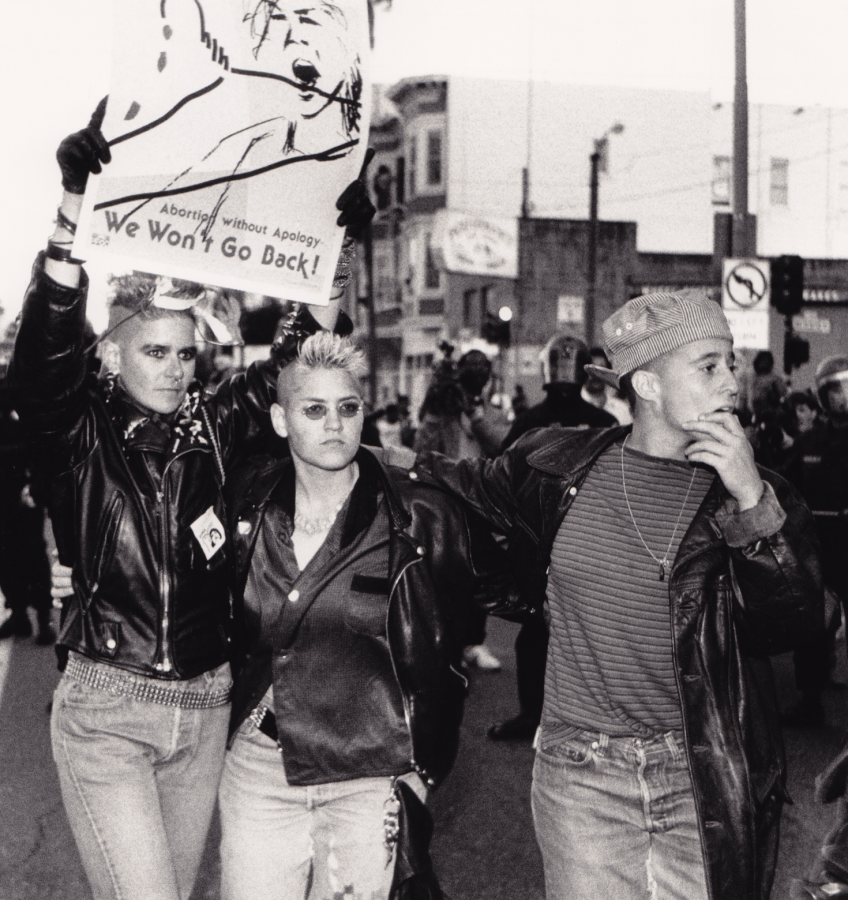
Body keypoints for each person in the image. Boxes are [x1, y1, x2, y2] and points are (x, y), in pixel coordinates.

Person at [15, 115, 374, 900]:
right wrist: (72, 205)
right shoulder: (74, 431)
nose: (176, 370)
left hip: (207, 707)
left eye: (186, 353)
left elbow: (295, 352)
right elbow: (43, 351)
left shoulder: (215, 429)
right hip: (108, 707)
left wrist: (334, 251)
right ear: (109, 350)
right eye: (155, 351)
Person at [397, 292, 823, 900]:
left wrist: (751, 504)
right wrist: (336, 449)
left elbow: (797, 624)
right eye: (708, 365)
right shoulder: (556, 467)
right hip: (581, 774)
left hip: (699, 772)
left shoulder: (757, 492)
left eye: (729, 362)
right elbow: (443, 482)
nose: (731, 382)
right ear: (647, 383)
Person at [217, 329, 511, 900]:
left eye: (347, 408)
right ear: (281, 421)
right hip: (261, 768)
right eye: (314, 409)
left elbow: (481, 623)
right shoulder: (244, 503)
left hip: (372, 770)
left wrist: (421, 772)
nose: (334, 424)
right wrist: (77, 579)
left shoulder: (417, 513)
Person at [487, 333, 618, 742]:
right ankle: (546, 714)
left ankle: (547, 714)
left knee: (546, 632)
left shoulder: (540, 421)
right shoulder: (601, 422)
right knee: (549, 632)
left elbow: (502, 474)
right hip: (570, 537)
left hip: (556, 537)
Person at [414, 348, 507, 671]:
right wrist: (439, 410)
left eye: (483, 368)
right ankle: (443, 643)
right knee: (441, 574)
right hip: (446, 501)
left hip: (481, 503)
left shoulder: (492, 414)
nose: (477, 374)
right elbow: (422, 450)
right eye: (472, 367)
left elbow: (502, 446)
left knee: (478, 578)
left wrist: (477, 418)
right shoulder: (442, 411)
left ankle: (473, 644)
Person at [781, 357, 848, 729]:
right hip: (821, 549)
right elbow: (783, 487)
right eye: (835, 389)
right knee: (812, 625)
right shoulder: (811, 442)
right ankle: (810, 700)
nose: (843, 396)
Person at [0, 367, 54, 644]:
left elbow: (41, 454)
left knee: (32, 555)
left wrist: (35, 488)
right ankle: (19, 614)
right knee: (7, 558)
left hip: (24, 492)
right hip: (5, 496)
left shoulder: (27, 411)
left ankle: (44, 620)